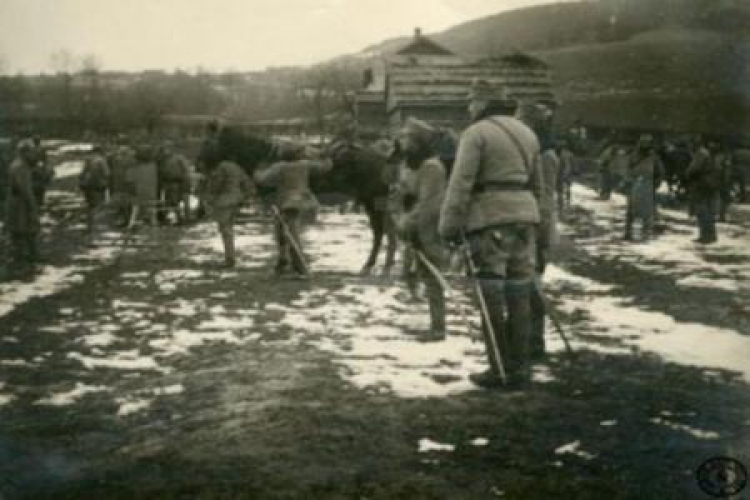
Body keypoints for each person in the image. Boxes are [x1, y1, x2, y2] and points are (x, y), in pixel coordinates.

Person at [439, 79, 545, 389]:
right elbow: (538, 186)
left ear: (484, 104)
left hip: (489, 220)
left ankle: (498, 368)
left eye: (472, 101)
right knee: (520, 293)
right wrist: (535, 219)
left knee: (491, 296)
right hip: (525, 219)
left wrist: (448, 226)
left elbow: (461, 184)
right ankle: (521, 369)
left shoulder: (476, 133)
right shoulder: (528, 133)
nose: (469, 107)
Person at [394, 117, 448, 341]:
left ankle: (438, 327)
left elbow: (429, 203)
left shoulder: (431, 167)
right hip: (415, 225)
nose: (403, 143)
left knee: (433, 277)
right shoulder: (411, 165)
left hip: (428, 228)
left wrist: (408, 223)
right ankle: (430, 320)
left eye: (407, 139)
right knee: (419, 273)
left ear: (418, 142)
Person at [254, 142, 332, 277]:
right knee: (283, 230)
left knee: (289, 234)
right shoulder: (305, 165)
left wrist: (257, 169)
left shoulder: (280, 167)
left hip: (287, 202)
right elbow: (326, 167)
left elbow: (262, 179)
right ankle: (284, 261)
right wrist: (325, 156)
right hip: (302, 201)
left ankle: (298, 266)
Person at [522, 103, 559, 359]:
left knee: (531, 286)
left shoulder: (544, 157)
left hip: (536, 226)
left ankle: (534, 342)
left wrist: (538, 232)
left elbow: (544, 198)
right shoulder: (539, 153)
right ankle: (530, 341)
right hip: (535, 224)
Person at [206, 160, 253, 268]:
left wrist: (211, 196)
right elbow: (246, 181)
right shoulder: (236, 166)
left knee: (225, 229)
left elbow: (217, 184)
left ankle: (230, 258)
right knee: (229, 228)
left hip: (224, 200)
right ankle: (230, 256)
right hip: (236, 199)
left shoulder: (222, 167)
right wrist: (246, 195)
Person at [3, 140, 40, 277]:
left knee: (22, 232)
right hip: (20, 205)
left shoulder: (21, 165)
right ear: (24, 151)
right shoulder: (20, 166)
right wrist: (32, 206)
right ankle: (20, 266)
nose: (33, 154)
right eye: (31, 151)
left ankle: (24, 263)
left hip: (19, 203)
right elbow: (24, 189)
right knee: (20, 233)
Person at [623, 135, 662, 241]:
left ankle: (645, 233)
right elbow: (628, 169)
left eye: (647, 143)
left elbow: (659, 172)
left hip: (648, 185)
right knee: (631, 209)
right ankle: (628, 232)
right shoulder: (634, 155)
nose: (645, 145)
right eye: (643, 142)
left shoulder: (654, 157)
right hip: (635, 183)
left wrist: (656, 184)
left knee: (647, 211)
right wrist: (628, 181)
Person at [686, 138, 721, 244]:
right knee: (707, 211)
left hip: (702, 184)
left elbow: (694, 168)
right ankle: (710, 235)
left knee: (702, 211)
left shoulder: (700, 153)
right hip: (708, 184)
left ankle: (705, 236)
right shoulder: (704, 153)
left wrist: (687, 174)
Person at [78, 145, 110, 244]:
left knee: (90, 206)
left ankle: (89, 226)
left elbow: (82, 174)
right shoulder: (102, 160)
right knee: (97, 207)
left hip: (87, 186)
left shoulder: (87, 160)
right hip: (97, 186)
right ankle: (94, 230)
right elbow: (107, 173)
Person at [157, 143, 192, 225]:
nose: (165, 151)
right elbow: (161, 172)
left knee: (185, 201)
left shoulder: (179, 158)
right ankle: (179, 218)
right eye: (164, 149)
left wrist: (186, 182)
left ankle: (187, 218)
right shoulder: (162, 160)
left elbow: (186, 170)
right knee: (173, 201)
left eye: (167, 148)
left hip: (180, 182)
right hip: (169, 182)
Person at [195, 120, 222, 220]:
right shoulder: (218, 142)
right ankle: (204, 211)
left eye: (206, 130)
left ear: (209, 130)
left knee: (205, 192)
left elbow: (203, 156)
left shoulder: (209, 143)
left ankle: (204, 212)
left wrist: (200, 165)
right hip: (213, 171)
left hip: (209, 171)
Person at [30, 135, 54, 208]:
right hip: (39, 168)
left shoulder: (33, 149)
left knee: (38, 184)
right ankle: (39, 200)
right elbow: (45, 159)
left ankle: (38, 200)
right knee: (40, 184)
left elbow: (45, 159)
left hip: (36, 168)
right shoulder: (40, 149)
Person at [716, 143, 733, 223]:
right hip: (723, 180)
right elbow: (726, 170)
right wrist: (727, 179)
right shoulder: (725, 157)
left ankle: (720, 215)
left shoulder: (717, 157)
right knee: (724, 198)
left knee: (720, 197)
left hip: (717, 179)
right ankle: (722, 216)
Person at [557, 140, 575, 213]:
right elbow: (573, 164)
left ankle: (561, 205)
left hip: (562, 173)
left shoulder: (560, 154)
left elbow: (560, 165)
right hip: (568, 173)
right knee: (567, 188)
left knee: (561, 190)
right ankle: (567, 203)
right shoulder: (571, 154)